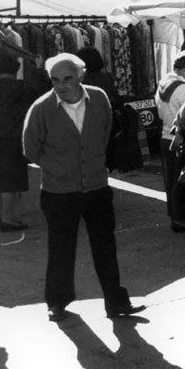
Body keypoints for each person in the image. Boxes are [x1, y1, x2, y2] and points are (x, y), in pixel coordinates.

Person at [22, 53, 145, 322]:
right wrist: (57, 167)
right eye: (55, 80)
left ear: (80, 76)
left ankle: (116, 302)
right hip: (58, 192)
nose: (61, 85)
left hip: (96, 187)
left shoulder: (98, 98)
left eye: (67, 79)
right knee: (61, 250)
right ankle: (57, 302)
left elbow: (104, 132)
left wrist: (91, 163)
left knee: (105, 246)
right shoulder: (42, 108)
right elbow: (30, 149)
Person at [0, 54, 46, 231]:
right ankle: (7, 220)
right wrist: (39, 69)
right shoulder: (21, 87)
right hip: (12, 139)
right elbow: (42, 90)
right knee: (10, 180)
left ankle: (0, 216)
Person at [155, 51, 185, 232]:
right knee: (182, 180)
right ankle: (181, 219)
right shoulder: (184, 89)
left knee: (170, 180)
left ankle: (174, 217)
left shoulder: (162, 84)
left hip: (164, 135)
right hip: (181, 137)